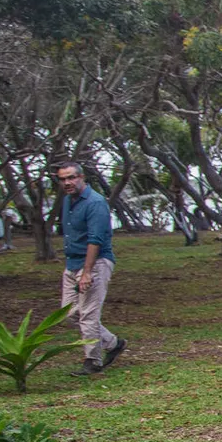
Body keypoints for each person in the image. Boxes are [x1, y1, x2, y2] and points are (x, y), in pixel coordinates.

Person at [55, 161, 126, 377]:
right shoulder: (68, 201)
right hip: (73, 263)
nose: (67, 182)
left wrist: (87, 272)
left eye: (71, 177)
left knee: (88, 314)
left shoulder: (95, 203)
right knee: (68, 313)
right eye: (63, 179)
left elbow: (95, 239)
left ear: (82, 177)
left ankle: (93, 361)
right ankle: (113, 343)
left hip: (95, 263)